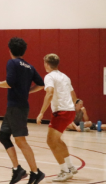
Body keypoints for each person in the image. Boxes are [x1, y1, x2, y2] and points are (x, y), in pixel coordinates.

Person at [0, 37, 45, 184]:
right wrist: (26, 91)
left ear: (9, 50)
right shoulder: (29, 66)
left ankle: (36, 172)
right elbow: (41, 84)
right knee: (3, 136)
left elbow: (9, 83)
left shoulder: (12, 62)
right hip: (16, 107)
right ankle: (17, 169)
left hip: (17, 107)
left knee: (20, 141)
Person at [36, 53, 78, 182]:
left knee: (51, 141)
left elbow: (49, 94)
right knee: (58, 140)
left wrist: (41, 112)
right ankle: (70, 166)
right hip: (70, 111)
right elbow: (74, 97)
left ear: (46, 64)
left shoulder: (49, 77)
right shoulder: (65, 77)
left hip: (61, 112)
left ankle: (64, 171)